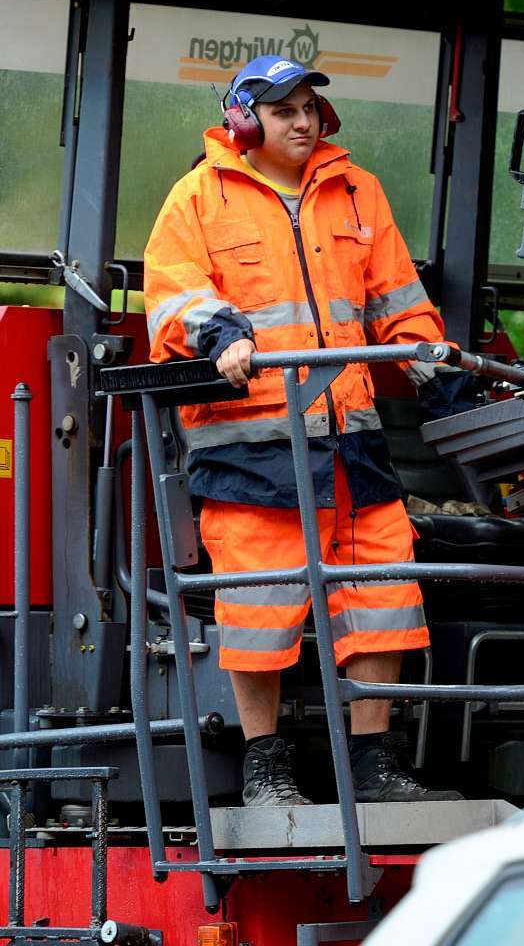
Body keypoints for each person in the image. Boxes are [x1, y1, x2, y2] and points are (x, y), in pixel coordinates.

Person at [144, 55, 471, 806]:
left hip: (352, 442)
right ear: (244, 119)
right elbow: (169, 298)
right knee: (259, 608)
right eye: (285, 109)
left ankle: (374, 767)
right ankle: (267, 771)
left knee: (386, 595)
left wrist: (445, 377)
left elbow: (400, 304)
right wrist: (217, 331)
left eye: (311, 109)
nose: (304, 122)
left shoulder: (357, 193)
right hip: (250, 446)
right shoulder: (198, 197)